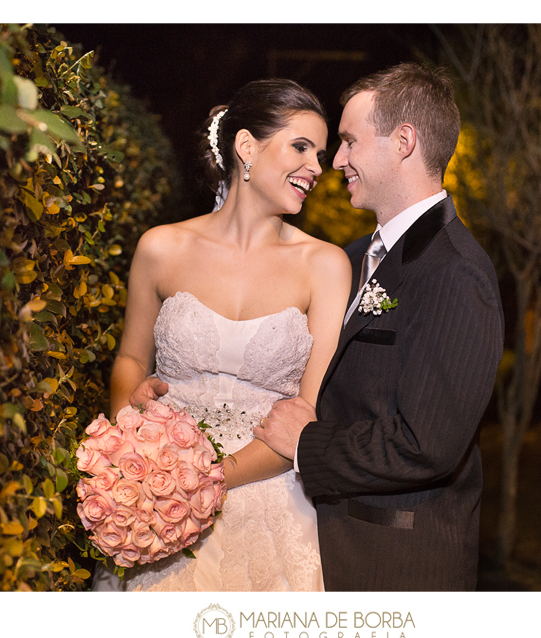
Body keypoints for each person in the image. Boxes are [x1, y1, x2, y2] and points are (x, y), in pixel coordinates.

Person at [253, 63, 505, 591]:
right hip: (318, 550)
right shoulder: (350, 259)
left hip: (393, 567)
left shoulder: (455, 272)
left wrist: (307, 446)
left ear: (404, 142)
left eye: (348, 142)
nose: (336, 161)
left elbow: (425, 443)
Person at [98, 79, 351, 591]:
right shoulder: (161, 248)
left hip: (271, 504)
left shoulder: (324, 266)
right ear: (246, 147)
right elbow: (130, 356)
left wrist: (204, 482)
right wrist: (130, 421)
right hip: (155, 495)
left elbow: (309, 411)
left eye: (320, 154)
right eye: (301, 147)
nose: (318, 168)